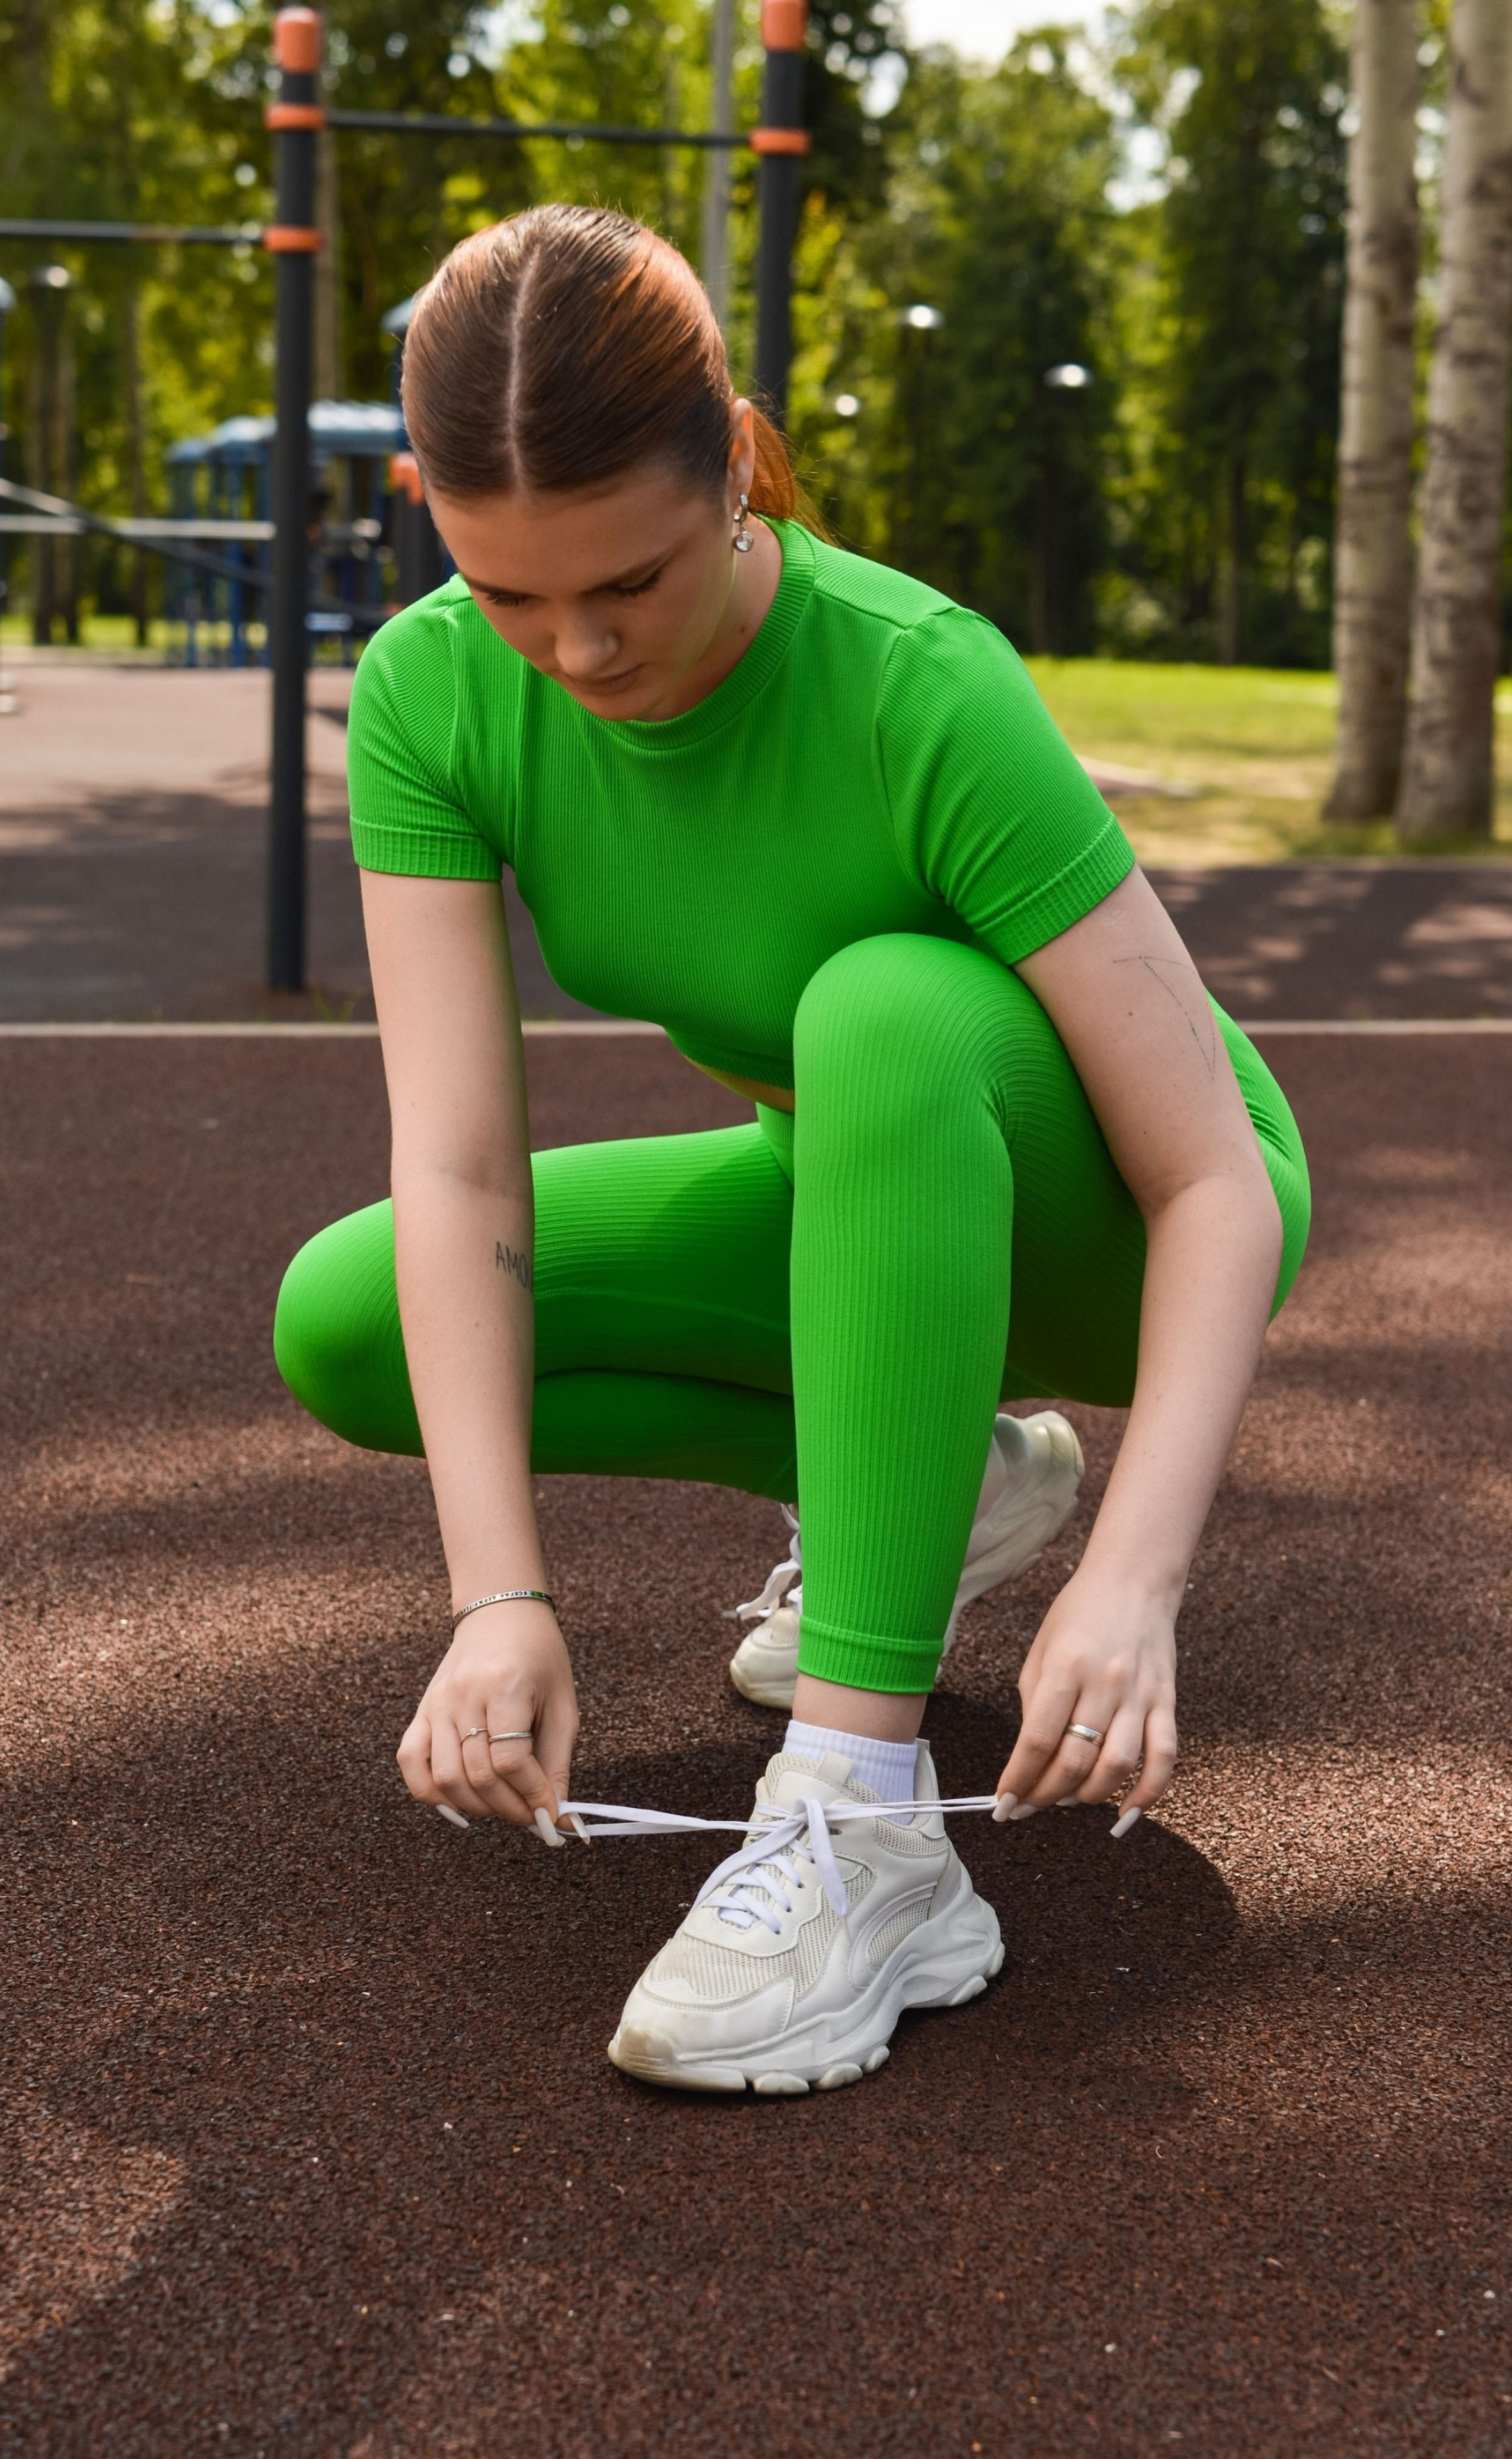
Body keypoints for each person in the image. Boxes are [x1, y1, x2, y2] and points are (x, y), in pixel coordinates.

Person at [273, 204, 1310, 2097]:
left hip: (1112, 1221)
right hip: (867, 1193)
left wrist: (1139, 1579)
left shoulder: (919, 682)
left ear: (739, 465)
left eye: (631, 584)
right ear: (427, 508)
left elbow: (1212, 1177)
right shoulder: (430, 696)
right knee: (348, 1319)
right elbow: (463, 1178)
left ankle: (868, 1827)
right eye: (509, 591)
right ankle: (953, 1484)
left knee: (887, 1005)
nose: (575, 649)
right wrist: (498, 1598)